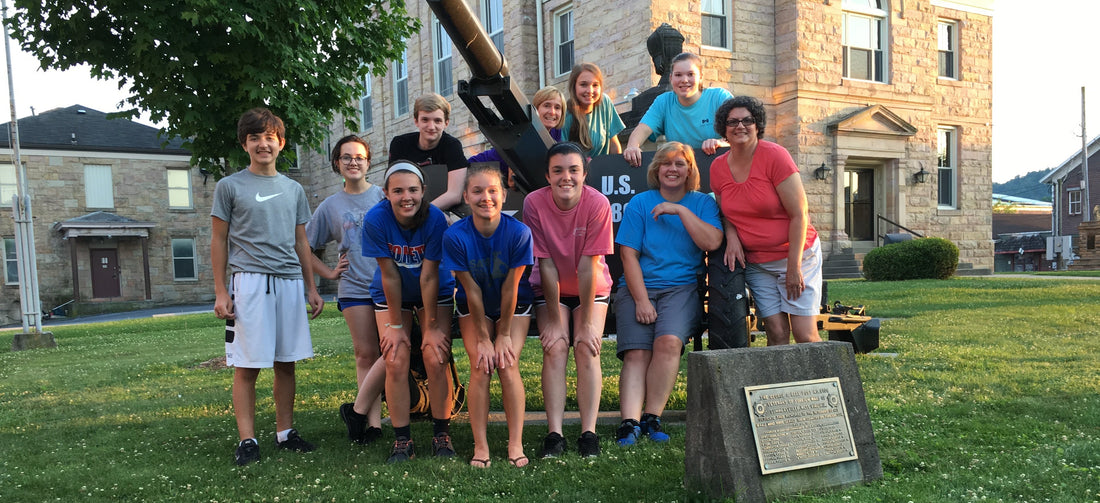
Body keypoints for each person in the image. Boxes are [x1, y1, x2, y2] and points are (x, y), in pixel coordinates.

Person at [211, 107, 325, 466]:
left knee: (286, 363)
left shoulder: (294, 189)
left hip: (290, 283)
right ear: (244, 144)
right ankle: (247, 440)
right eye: (255, 137)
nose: (263, 144)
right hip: (250, 283)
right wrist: (220, 291)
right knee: (247, 366)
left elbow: (301, 242)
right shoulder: (229, 186)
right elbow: (218, 240)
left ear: (281, 143)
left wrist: (312, 287)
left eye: (269, 137)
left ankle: (285, 432)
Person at [340, 161, 457, 463]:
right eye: (398, 191)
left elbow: (429, 276)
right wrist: (395, 326)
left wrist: (430, 326)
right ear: (385, 193)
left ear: (423, 192)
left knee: (435, 354)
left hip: (433, 288)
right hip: (392, 291)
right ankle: (402, 439)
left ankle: (441, 433)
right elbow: (389, 275)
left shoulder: (434, 218)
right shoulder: (376, 219)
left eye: (413, 190)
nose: (407, 197)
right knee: (395, 356)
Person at [613, 141, 722, 446]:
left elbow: (712, 242)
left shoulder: (702, 203)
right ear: (656, 169)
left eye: (680, 164)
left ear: (690, 170)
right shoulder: (640, 203)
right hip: (638, 288)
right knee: (637, 352)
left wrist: (679, 210)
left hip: (681, 288)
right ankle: (629, 423)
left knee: (669, 343)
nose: (672, 169)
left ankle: (652, 417)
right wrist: (641, 300)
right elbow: (628, 255)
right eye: (666, 163)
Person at [523, 142, 614, 459]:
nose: (566, 177)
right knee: (556, 346)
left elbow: (589, 266)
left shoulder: (597, 203)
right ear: (547, 175)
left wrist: (587, 323)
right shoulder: (534, 203)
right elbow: (544, 263)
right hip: (550, 288)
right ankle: (555, 433)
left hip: (591, 285)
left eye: (574, 170)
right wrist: (554, 319)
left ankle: (588, 433)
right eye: (558, 170)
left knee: (587, 347)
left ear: (584, 173)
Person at [710, 96, 822, 346]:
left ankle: (821, 384)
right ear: (723, 129)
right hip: (758, 263)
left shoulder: (775, 156)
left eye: (747, 120)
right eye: (733, 122)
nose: (740, 126)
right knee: (776, 332)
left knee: (805, 335)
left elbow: (799, 214)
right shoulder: (717, 167)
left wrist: (794, 268)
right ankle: (780, 385)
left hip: (798, 256)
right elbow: (725, 211)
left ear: (757, 124)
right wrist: (731, 237)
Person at [442, 164, 534, 468]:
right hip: (474, 304)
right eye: (478, 191)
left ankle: (515, 443)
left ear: (504, 195)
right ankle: (480, 446)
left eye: (492, 190)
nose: (486, 197)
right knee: (481, 366)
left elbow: (511, 289)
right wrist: (484, 338)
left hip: (513, 306)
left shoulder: (519, 233)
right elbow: (470, 291)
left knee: (507, 364)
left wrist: (503, 334)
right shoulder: (455, 236)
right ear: (466, 196)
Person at [305, 135, 386, 444]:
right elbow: (305, 246)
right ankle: (373, 426)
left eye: (360, 157)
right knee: (366, 354)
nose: (354, 161)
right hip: (354, 288)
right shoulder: (330, 206)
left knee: (388, 352)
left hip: (386, 286)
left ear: (368, 162)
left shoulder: (382, 196)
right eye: (347, 157)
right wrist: (327, 272)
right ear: (336, 163)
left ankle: (357, 410)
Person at [622, 52, 733, 166]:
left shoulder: (719, 97)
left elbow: (741, 132)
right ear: (671, 78)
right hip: (683, 171)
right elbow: (642, 129)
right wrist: (632, 147)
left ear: (700, 77)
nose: (684, 80)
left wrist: (721, 143)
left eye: (690, 74)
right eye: (678, 75)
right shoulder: (663, 101)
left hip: (722, 167)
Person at [467, 86, 566, 187]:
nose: (552, 112)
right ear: (535, 109)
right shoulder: (522, 137)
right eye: (547, 105)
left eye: (557, 108)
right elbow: (484, 159)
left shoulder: (556, 133)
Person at [387, 93, 470, 210]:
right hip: (404, 207)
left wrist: (425, 213)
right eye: (425, 120)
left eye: (437, 121)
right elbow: (393, 186)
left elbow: (454, 194)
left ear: (446, 123)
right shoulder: (400, 144)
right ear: (416, 121)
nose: (431, 127)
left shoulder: (452, 146)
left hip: (437, 210)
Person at [560, 62, 625, 157]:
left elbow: (614, 144)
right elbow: (562, 155)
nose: (590, 91)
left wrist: (618, 168)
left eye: (595, 85)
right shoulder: (565, 115)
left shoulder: (604, 102)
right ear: (574, 87)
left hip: (604, 169)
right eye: (583, 85)